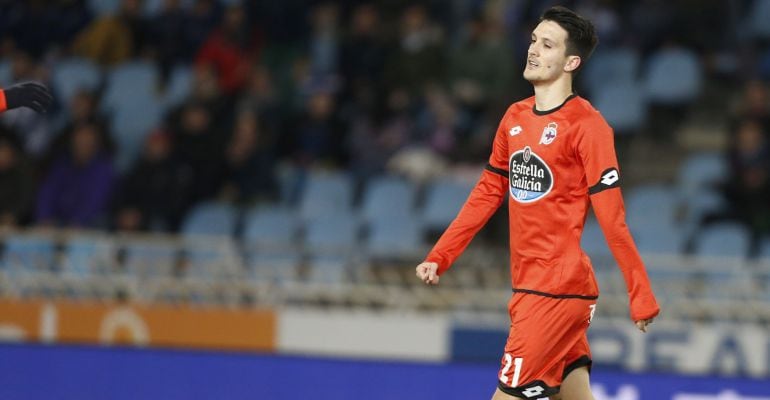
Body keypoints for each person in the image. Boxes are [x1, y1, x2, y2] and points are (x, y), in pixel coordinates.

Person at [415, 7, 659, 400]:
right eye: (532, 40)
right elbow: (487, 192)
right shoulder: (514, 116)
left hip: (555, 291)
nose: (533, 50)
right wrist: (441, 255)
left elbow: (613, 220)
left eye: (547, 45)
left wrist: (640, 293)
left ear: (571, 61)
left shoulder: (588, 126)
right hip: (532, 286)